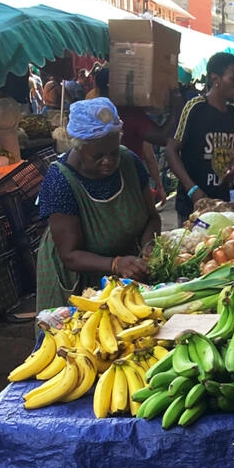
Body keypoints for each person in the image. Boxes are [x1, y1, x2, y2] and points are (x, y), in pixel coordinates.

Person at [35, 97, 161, 311]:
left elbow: (152, 217)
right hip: (77, 279)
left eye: (113, 152)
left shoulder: (130, 162)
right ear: (78, 147)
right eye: (98, 156)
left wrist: (148, 247)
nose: (108, 161)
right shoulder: (60, 181)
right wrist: (115, 264)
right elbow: (70, 254)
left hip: (125, 272)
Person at [166, 52, 234, 224]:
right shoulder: (195, 107)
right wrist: (192, 189)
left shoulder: (232, 113)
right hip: (193, 203)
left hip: (221, 200)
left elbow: (229, 150)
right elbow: (171, 150)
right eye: (233, 79)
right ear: (215, 79)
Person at [89, 68, 177, 205]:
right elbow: (161, 140)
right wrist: (176, 107)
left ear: (97, 89)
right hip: (128, 187)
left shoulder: (89, 114)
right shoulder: (131, 114)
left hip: (96, 191)